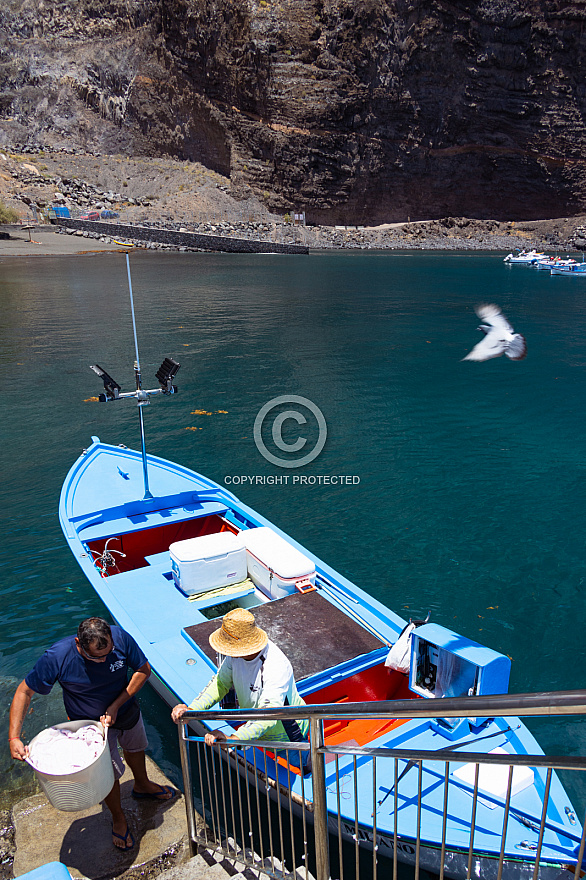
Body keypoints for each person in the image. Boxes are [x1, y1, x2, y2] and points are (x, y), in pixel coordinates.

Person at [9, 617, 176, 851]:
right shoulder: (57, 656)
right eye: (97, 657)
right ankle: (118, 818)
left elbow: (143, 670)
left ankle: (142, 784)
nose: (104, 660)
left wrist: (116, 705)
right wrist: (14, 737)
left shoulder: (120, 638)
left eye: (108, 653)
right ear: (78, 643)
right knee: (106, 774)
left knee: (136, 747)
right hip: (88, 727)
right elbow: (24, 691)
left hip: (125, 709)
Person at [171, 607, 310, 772]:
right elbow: (220, 683)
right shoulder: (234, 656)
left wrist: (234, 738)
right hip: (258, 731)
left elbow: (270, 715)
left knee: (305, 765)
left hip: (288, 736)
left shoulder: (275, 666)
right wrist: (191, 710)